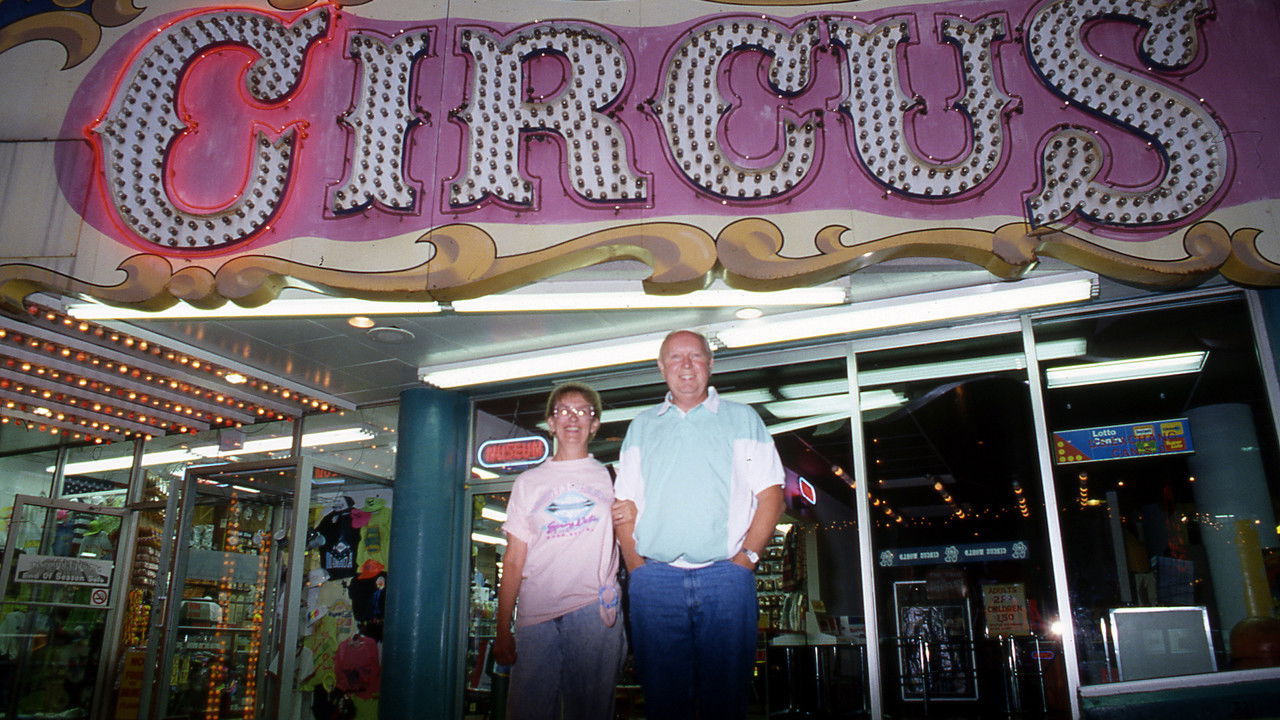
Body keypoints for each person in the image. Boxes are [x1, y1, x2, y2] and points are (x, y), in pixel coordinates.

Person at [613, 329, 785, 719]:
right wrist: (636, 569)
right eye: (675, 357)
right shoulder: (641, 427)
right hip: (655, 580)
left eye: (695, 356)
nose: (686, 365)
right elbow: (624, 505)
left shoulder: (743, 419)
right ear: (661, 368)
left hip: (726, 578)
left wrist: (747, 560)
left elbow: (772, 494)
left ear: (711, 363)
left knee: (726, 699)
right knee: (662, 699)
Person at [493, 382, 626, 720]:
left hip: (593, 611)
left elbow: (633, 539)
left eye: (583, 411)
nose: (573, 418)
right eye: (563, 411)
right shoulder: (528, 483)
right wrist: (502, 629)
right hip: (536, 616)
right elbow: (513, 559)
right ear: (550, 422)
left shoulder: (614, 478)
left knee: (591, 712)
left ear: (594, 424)